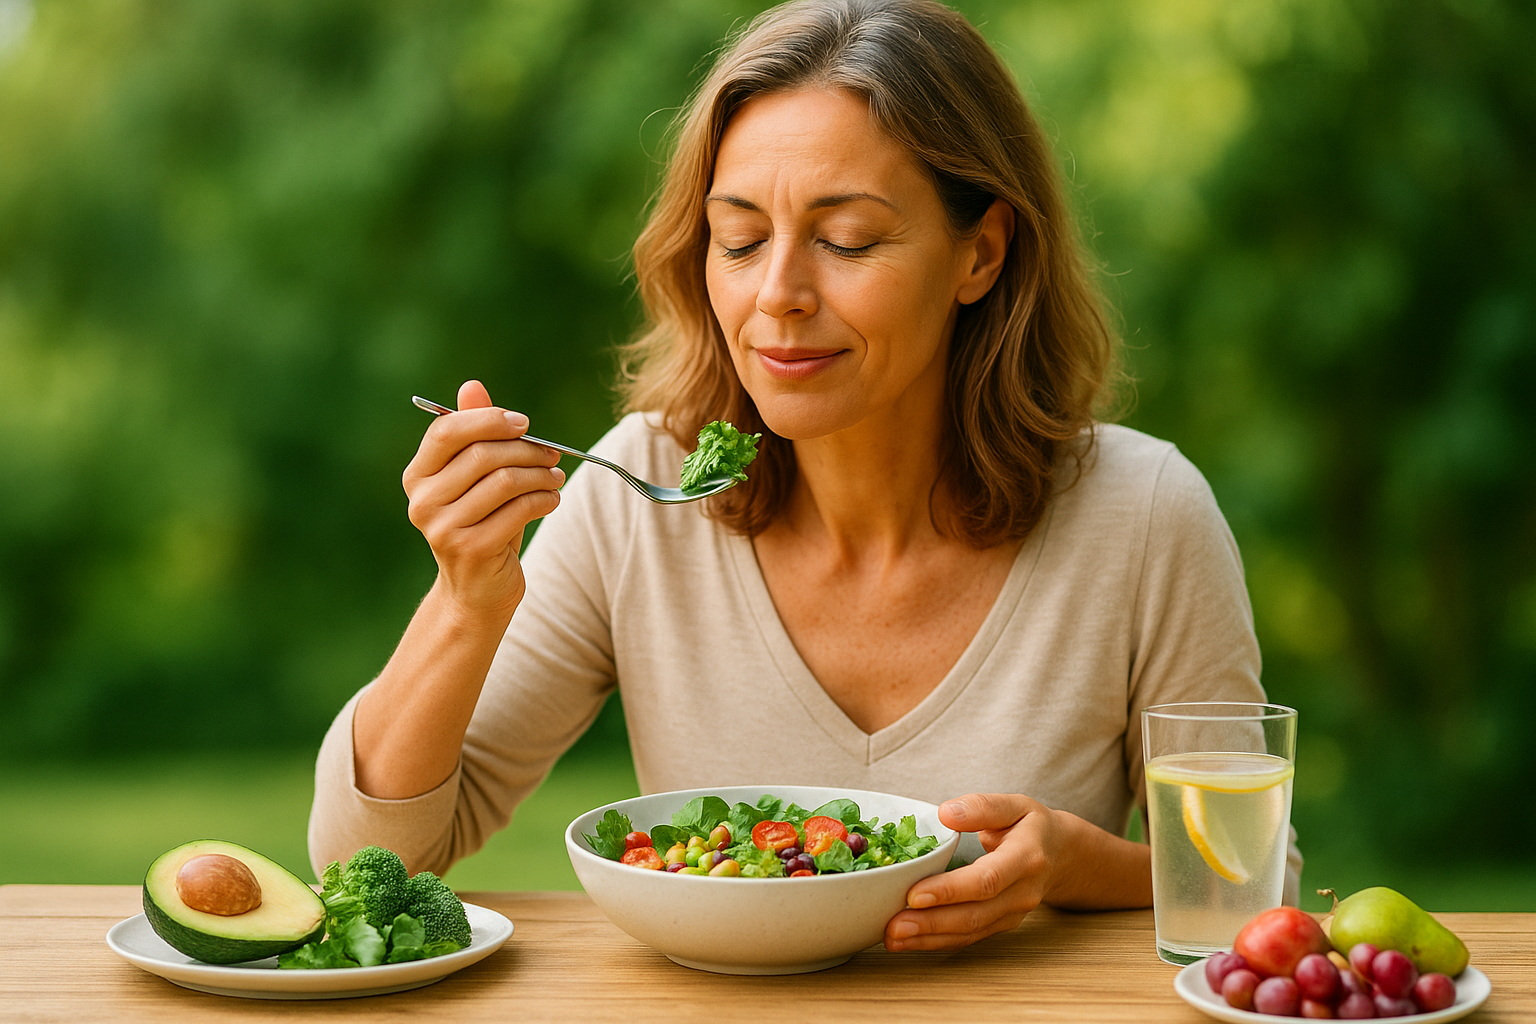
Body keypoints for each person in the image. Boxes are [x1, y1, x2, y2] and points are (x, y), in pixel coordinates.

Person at [309, 0, 1298, 952]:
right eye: (739, 240)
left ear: (982, 254)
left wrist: (1085, 867)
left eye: (846, 240)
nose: (777, 294)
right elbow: (368, 868)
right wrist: (465, 598)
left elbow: (1257, 886)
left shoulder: (1144, 517)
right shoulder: (641, 492)